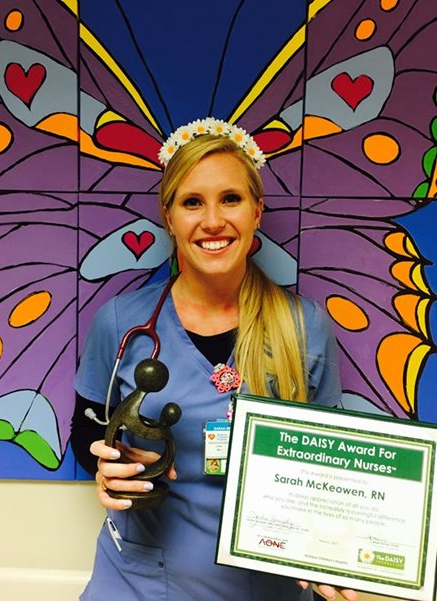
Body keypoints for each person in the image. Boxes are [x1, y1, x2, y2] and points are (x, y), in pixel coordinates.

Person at [72, 118, 357, 601]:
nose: (212, 221)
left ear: (257, 211)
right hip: (139, 583)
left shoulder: (304, 326)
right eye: (191, 202)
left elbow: (326, 468)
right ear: (168, 217)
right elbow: (87, 432)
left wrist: (338, 553)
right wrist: (109, 464)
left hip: (267, 588)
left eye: (230, 198)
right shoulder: (120, 322)